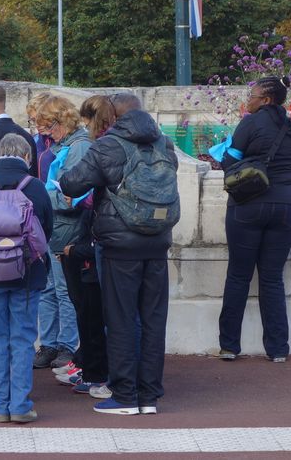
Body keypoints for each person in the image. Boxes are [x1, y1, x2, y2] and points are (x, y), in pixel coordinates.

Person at [58, 93, 177, 416]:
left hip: (120, 244)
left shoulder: (109, 145)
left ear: (113, 114)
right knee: (153, 319)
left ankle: (125, 394)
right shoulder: (163, 143)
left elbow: (71, 183)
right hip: (157, 240)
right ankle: (149, 394)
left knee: (121, 319)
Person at [0, 134, 54, 424]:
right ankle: (20, 405)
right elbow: (47, 230)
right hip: (27, 275)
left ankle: (0, 406)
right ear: (27, 157)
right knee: (23, 339)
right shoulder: (36, 187)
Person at [218, 76, 291, 363]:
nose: (248, 99)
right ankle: (278, 349)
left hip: (248, 206)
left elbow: (229, 162)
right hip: (285, 206)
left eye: (252, 95)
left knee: (239, 276)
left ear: (266, 99)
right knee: (272, 278)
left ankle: (229, 345)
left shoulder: (250, 123)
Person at [59, 95, 115, 398]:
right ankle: (95, 368)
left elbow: (76, 186)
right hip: (116, 236)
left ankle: (97, 374)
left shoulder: (100, 148)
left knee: (93, 311)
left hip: (99, 234)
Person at [32, 96, 87, 371]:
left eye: (48, 126)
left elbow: (73, 196)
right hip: (55, 228)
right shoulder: (66, 146)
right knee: (48, 289)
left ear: (62, 121)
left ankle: (66, 345)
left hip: (67, 229)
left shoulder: (79, 148)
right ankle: (50, 343)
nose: (44, 133)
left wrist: (40, 197)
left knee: (64, 291)